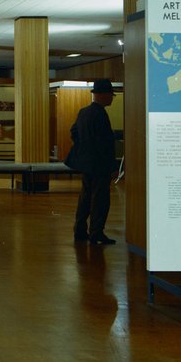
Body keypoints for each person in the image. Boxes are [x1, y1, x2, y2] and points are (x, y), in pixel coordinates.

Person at [64, 78, 118, 245]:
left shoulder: (84, 112)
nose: (111, 98)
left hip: (86, 163)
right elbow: (105, 144)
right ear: (102, 95)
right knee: (100, 199)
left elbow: (74, 132)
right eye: (110, 95)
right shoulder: (100, 114)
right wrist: (112, 166)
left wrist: (84, 148)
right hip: (100, 164)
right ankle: (96, 232)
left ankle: (80, 230)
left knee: (85, 197)